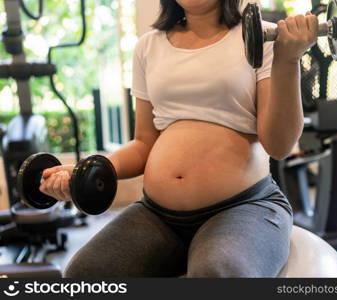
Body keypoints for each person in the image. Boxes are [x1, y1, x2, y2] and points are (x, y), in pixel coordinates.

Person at [40, 0, 318, 278]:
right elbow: (144, 143)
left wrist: (288, 59)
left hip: (244, 207)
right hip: (158, 215)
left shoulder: (264, 36)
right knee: (84, 275)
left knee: (216, 275)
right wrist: (88, 171)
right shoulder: (149, 46)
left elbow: (279, 146)